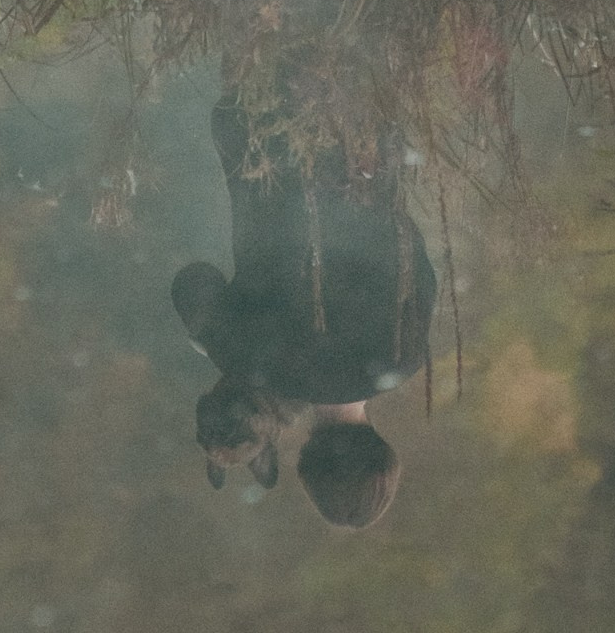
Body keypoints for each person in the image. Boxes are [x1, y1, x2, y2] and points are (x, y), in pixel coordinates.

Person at [171, 84, 436, 530]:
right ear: (306, 457)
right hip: (260, 140)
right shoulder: (253, 366)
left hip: (364, 142)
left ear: (383, 446)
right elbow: (192, 281)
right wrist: (209, 346)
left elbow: (415, 254)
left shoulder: (404, 359)